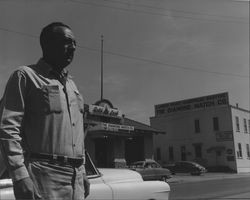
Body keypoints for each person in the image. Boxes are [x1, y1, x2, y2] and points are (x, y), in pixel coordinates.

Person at [0, 22, 90, 200]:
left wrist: (83, 171)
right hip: (43, 177)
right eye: (66, 41)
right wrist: (19, 175)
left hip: (76, 178)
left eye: (74, 43)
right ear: (47, 44)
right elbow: (8, 129)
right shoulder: (25, 76)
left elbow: (78, 134)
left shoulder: (73, 86)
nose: (72, 47)